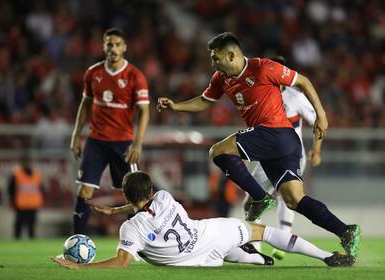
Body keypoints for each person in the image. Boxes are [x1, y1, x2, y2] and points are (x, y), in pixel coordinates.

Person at [157, 32, 361, 256]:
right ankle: (346, 231)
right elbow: (205, 102)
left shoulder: (263, 68)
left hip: (276, 133)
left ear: (232, 55)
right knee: (294, 200)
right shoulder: (220, 78)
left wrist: (321, 115)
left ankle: (260, 198)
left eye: (216, 58)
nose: (213, 62)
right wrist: (176, 107)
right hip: (279, 142)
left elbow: (303, 81)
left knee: (218, 151)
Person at [51, 171, 355, 269]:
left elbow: (122, 262)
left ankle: (258, 261)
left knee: (230, 251)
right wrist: (119, 208)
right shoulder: (165, 197)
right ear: (152, 190)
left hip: (193, 259)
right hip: (208, 234)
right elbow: (143, 204)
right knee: (261, 231)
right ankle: (327, 256)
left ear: (127, 198)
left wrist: (80, 265)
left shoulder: (131, 227)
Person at [70, 28, 150, 234]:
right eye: (109, 44)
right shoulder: (93, 73)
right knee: (84, 190)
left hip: (124, 143)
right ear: (103, 46)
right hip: (96, 140)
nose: (113, 48)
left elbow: (144, 111)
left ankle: (141, 244)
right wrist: (76, 136)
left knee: (136, 195)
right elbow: (84, 105)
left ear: (124, 47)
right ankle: (77, 240)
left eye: (117, 44)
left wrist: (138, 143)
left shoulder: (135, 76)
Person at [245, 56, 322, 259]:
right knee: (255, 199)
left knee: (288, 197)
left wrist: (317, 149)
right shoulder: (259, 95)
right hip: (267, 157)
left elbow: (318, 121)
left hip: (293, 156)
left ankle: (283, 241)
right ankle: (256, 247)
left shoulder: (295, 97)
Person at [8, 154, 44, 239]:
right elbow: (11, 189)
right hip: (21, 205)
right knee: (18, 228)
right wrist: (13, 201)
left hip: (33, 205)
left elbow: (41, 189)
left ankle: (31, 245)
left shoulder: (37, 175)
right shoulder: (16, 175)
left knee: (31, 228)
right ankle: (17, 244)